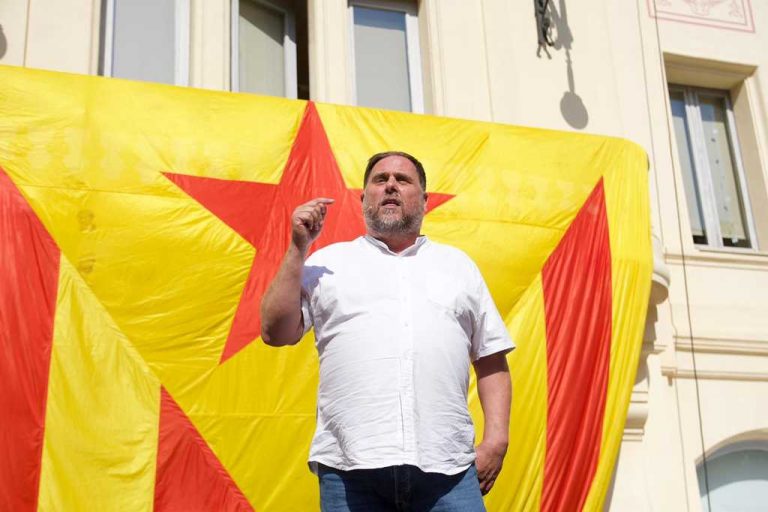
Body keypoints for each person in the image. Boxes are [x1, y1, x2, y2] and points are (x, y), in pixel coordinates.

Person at [261, 151, 514, 511]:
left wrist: (496, 441)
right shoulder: (327, 263)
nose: (391, 185)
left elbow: (491, 359)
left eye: (403, 180)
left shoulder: (458, 267)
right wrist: (298, 248)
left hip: (448, 470)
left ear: (424, 200)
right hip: (351, 471)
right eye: (380, 180)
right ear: (364, 198)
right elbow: (275, 331)